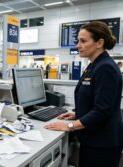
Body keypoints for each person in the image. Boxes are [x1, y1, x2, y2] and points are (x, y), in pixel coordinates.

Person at [44, 21, 123, 167]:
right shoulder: (94, 65)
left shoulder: (106, 68)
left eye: (83, 41)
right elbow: (93, 100)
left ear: (99, 43)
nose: (77, 45)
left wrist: (69, 126)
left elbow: (102, 110)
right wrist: (77, 114)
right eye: (77, 41)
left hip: (103, 143)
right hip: (93, 139)